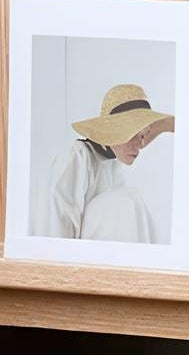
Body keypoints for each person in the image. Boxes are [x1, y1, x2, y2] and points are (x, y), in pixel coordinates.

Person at [47, 83, 175, 243]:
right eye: (134, 135)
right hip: (75, 256)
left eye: (144, 135)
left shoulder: (114, 164)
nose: (141, 144)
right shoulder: (77, 156)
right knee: (127, 201)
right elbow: (57, 221)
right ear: (114, 133)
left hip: (107, 253)